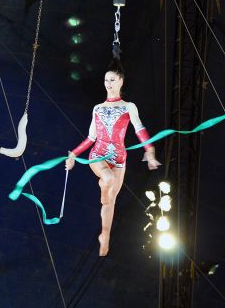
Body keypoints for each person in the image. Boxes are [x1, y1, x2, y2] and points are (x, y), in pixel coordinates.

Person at [65, 59, 160, 256]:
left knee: (111, 201)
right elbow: (91, 137)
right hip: (98, 155)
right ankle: (104, 184)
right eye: (106, 80)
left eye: (112, 80)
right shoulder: (97, 108)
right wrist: (74, 154)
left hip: (119, 159)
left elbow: (140, 129)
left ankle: (105, 235)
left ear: (121, 81)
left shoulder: (128, 107)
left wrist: (149, 150)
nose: (108, 83)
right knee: (107, 180)